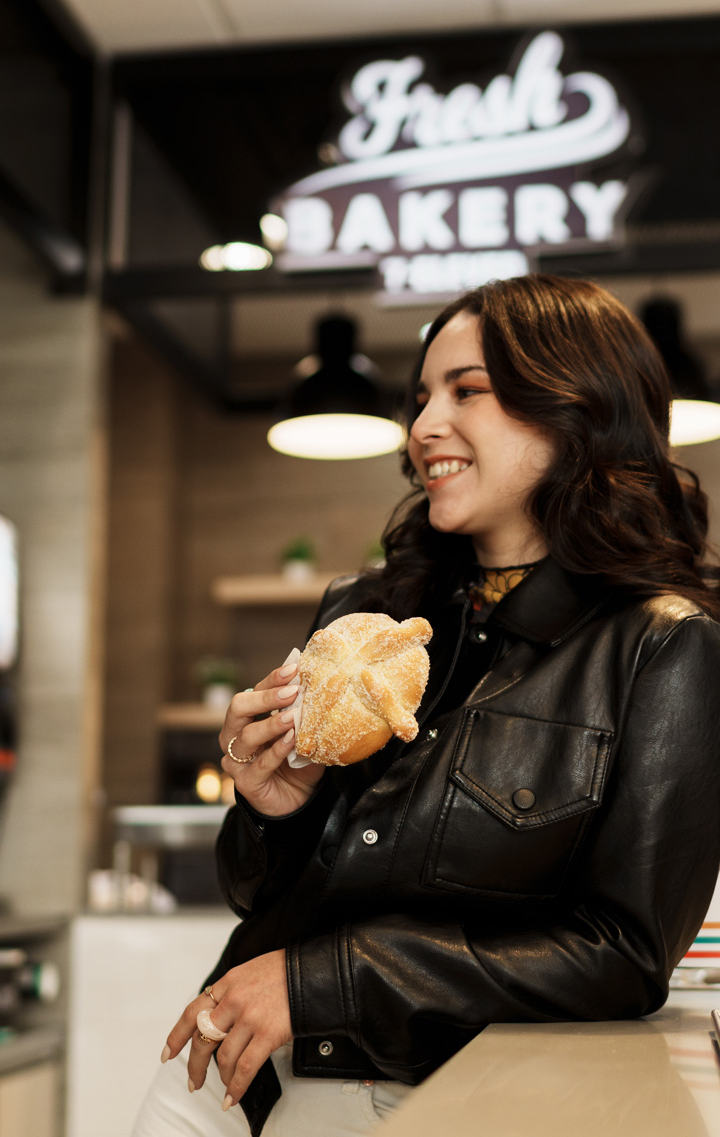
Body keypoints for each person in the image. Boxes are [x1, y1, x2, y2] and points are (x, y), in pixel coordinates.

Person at [133, 274, 720, 1137]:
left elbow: (623, 957)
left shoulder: (661, 646)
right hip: (223, 1081)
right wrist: (268, 810)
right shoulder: (360, 610)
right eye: (421, 398)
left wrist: (322, 982)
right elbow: (253, 889)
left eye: (468, 390)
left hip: (431, 1102)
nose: (424, 426)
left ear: (576, 407)